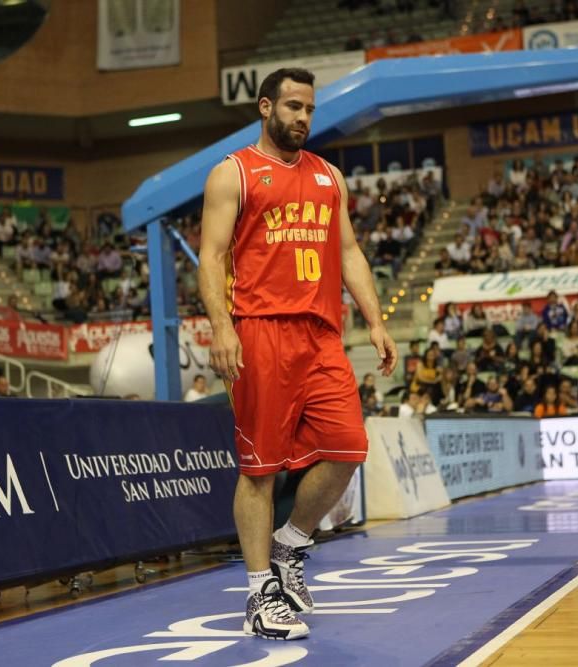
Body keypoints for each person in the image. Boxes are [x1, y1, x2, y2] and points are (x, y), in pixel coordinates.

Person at [197, 68, 396, 641]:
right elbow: (210, 258)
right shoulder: (232, 173)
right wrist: (222, 327)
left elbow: (350, 252)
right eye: (291, 107)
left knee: (349, 447)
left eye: (309, 108)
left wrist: (376, 321)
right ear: (265, 108)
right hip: (259, 330)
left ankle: (289, 547)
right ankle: (260, 594)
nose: (302, 118)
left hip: (321, 334)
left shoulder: (330, 177)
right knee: (259, 470)